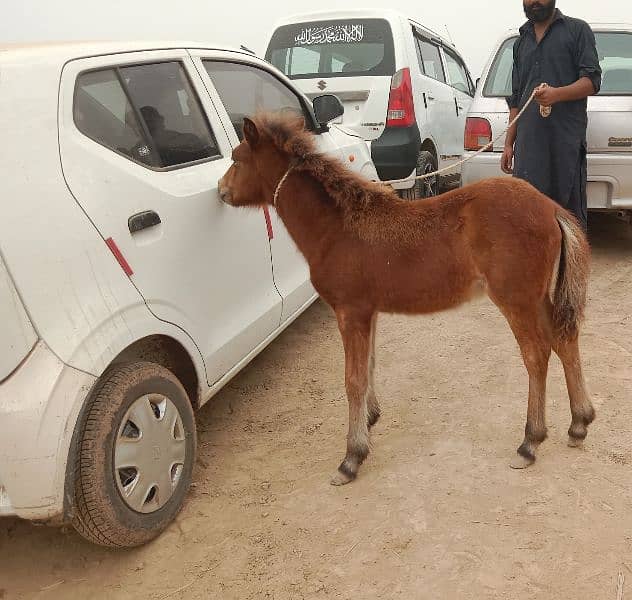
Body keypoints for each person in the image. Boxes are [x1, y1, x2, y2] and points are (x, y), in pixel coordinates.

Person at [501, 0, 602, 230]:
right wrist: (509, 144)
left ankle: (569, 265)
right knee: (527, 215)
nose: (535, 2)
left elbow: (593, 81)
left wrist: (557, 94)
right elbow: (516, 97)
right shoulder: (521, 42)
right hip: (528, 145)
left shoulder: (577, 30)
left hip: (564, 142)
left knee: (568, 217)